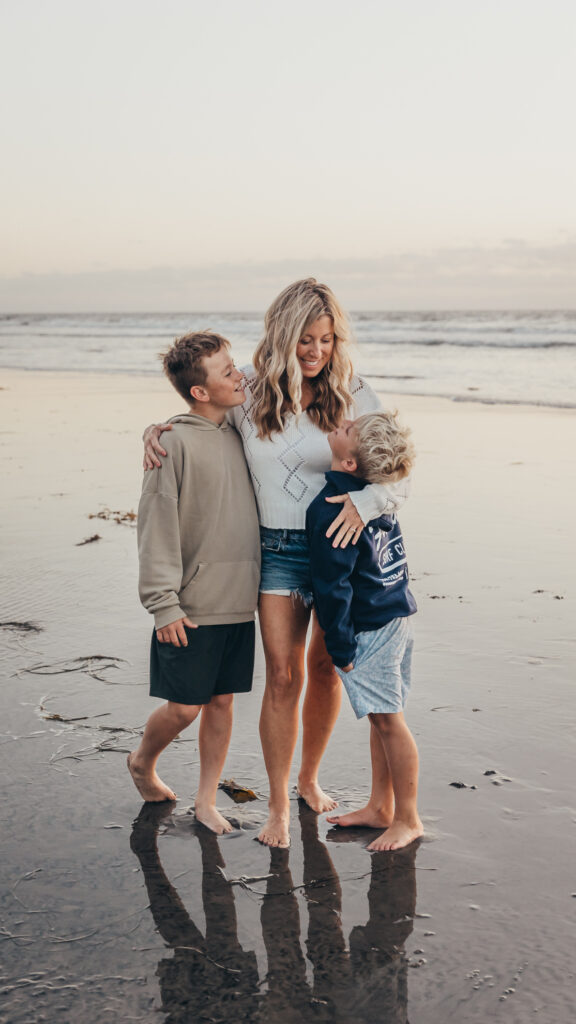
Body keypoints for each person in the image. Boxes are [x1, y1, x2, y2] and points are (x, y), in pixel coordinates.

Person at [143, 279, 410, 848]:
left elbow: (398, 476)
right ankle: (278, 806)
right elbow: (202, 416)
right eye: (305, 340)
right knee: (283, 676)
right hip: (276, 553)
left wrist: (365, 504)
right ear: (281, 336)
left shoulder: (356, 393)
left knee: (326, 670)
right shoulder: (250, 391)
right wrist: (159, 430)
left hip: (341, 551)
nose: (316, 351)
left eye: (326, 340)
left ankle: (309, 780)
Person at [128, 331, 261, 835]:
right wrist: (163, 604)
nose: (239, 375)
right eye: (227, 371)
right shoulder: (172, 444)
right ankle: (142, 760)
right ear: (200, 391)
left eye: (235, 365)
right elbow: (155, 527)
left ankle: (206, 800)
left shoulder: (242, 432)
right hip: (190, 604)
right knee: (185, 707)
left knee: (222, 702)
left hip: (238, 600)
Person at [306, 410, 423, 851]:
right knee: (381, 717)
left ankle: (408, 818)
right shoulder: (378, 499)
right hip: (397, 616)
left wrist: (339, 646)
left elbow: (332, 588)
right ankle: (380, 807)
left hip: (371, 628)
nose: (343, 422)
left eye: (348, 430)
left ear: (350, 462)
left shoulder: (331, 510)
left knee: (389, 722)